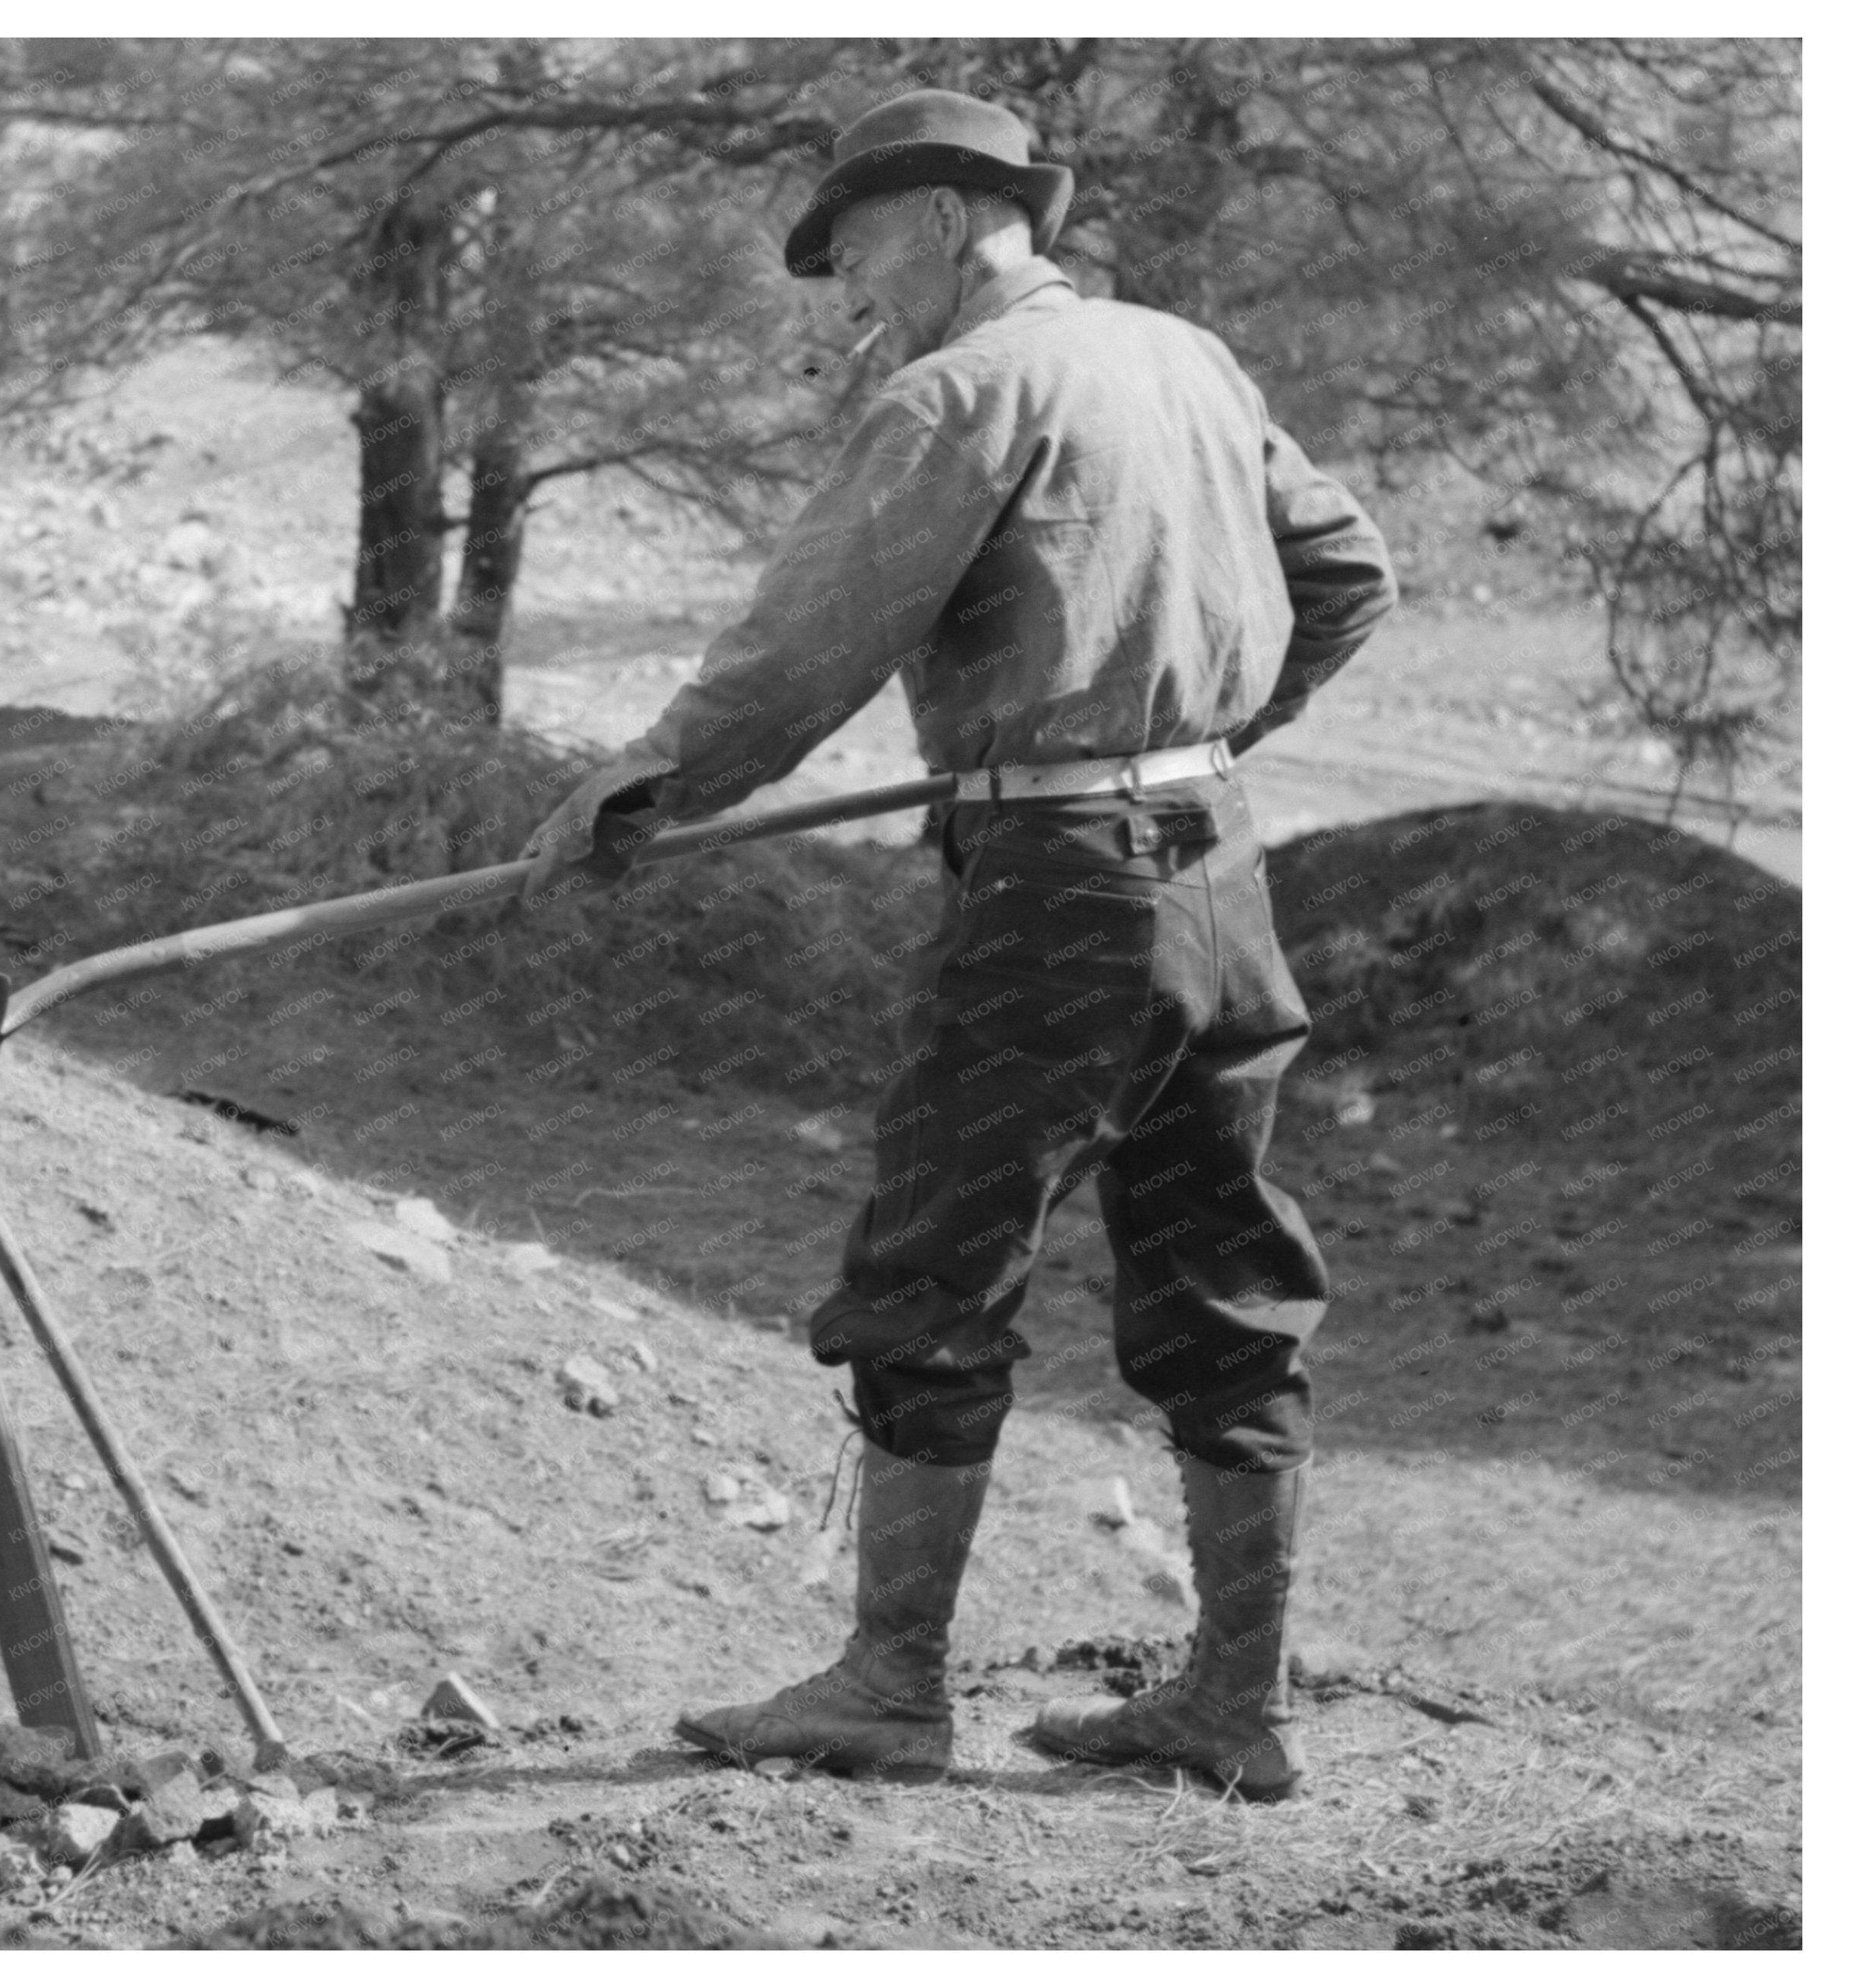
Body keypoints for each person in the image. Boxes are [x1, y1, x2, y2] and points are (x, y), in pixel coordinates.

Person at [519, 87, 1396, 1801]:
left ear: (936, 217)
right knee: (1225, 1281)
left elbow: (805, 644)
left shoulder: (962, 391)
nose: (849, 293)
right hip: (1217, 873)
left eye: (850, 251)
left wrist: (639, 789)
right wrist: (1195, 732)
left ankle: (888, 1689)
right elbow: (1349, 573)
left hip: (1061, 892)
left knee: (930, 1272)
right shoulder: (1185, 356)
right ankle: (1232, 1706)